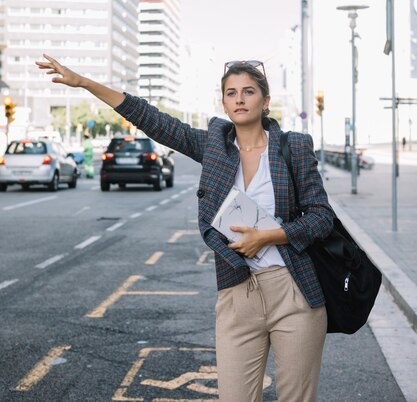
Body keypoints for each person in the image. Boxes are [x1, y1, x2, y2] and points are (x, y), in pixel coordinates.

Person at [35, 55, 334, 402]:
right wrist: (85, 83)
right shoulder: (214, 146)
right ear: (223, 102)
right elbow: (152, 119)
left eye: (249, 92)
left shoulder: (292, 146)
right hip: (237, 293)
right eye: (231, 92)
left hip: (292, 290)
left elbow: (321, 216)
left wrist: (271, 236)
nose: (239, 99)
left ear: (265, 101)